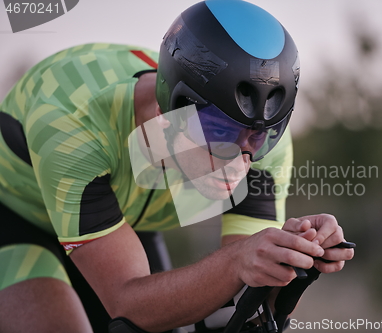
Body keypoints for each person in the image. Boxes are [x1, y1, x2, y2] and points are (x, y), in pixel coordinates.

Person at [0, 1, 354, 332]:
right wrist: (236, 261)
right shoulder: (71, 123)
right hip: (20, 219)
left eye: (258, 137)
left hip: (123, 222)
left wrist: (295, 253)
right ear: (164, 115)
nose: (237, 164)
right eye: (219, 133)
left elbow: (245, 290)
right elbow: (127, 300)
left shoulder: (261, 140)